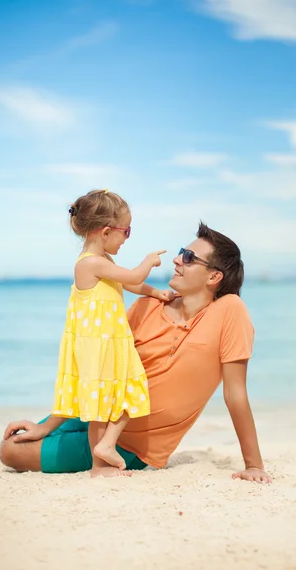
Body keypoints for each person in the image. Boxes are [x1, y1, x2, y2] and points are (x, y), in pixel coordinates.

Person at [0, 222, 272, 484]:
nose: (177, 260)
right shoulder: (146, 306)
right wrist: (49, 425)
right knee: (13, 441)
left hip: (131, 447)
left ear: (214, 276)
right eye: (180, 252)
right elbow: (99, 367)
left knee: (10, 451)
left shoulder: (230, 310)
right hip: (95, 413)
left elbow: (235, 393)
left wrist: (254, 465)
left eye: (189, 257)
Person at [49, 188, 175, 477]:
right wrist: (149, 261)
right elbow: (133, 276)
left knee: (110, 400)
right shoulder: (90, 263)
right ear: (106, 232)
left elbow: (130, 285)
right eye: (126, 231)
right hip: (99, 345)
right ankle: (101, 459)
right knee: (111, 400)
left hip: (110, 342)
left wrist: (156, 292)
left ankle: (102, 459)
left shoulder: (103, 261)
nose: (127, 237)